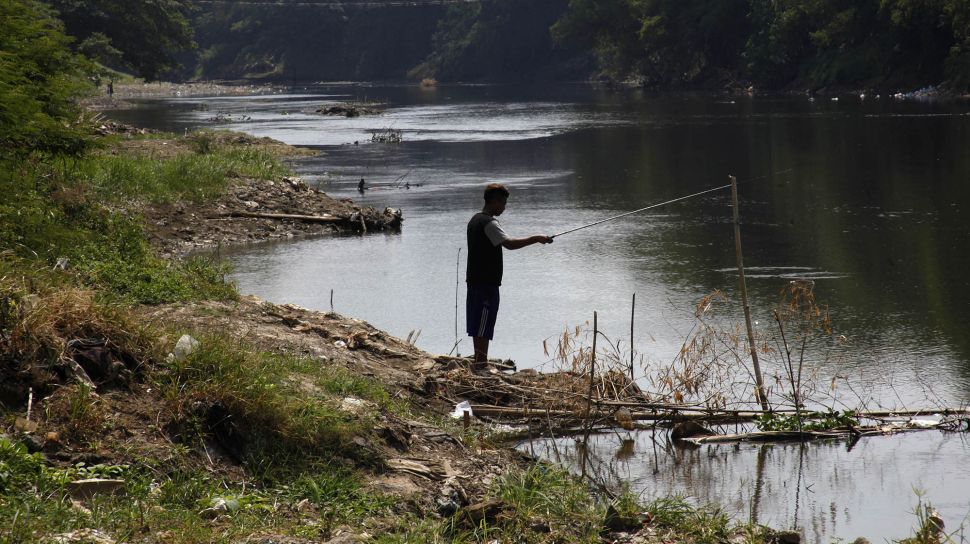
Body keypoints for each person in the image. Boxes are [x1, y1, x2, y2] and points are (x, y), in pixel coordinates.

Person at [466, 183, 552, 369]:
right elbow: (510, 244)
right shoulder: (489, 223)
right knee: (484, 323)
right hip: (485, 283)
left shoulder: (474, 219)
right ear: (494, 201)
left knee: (477, 322)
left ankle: (480, 361)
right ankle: (481, 363)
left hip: (474, 281)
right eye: (503, 203)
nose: (504, 207)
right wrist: (537, 238)